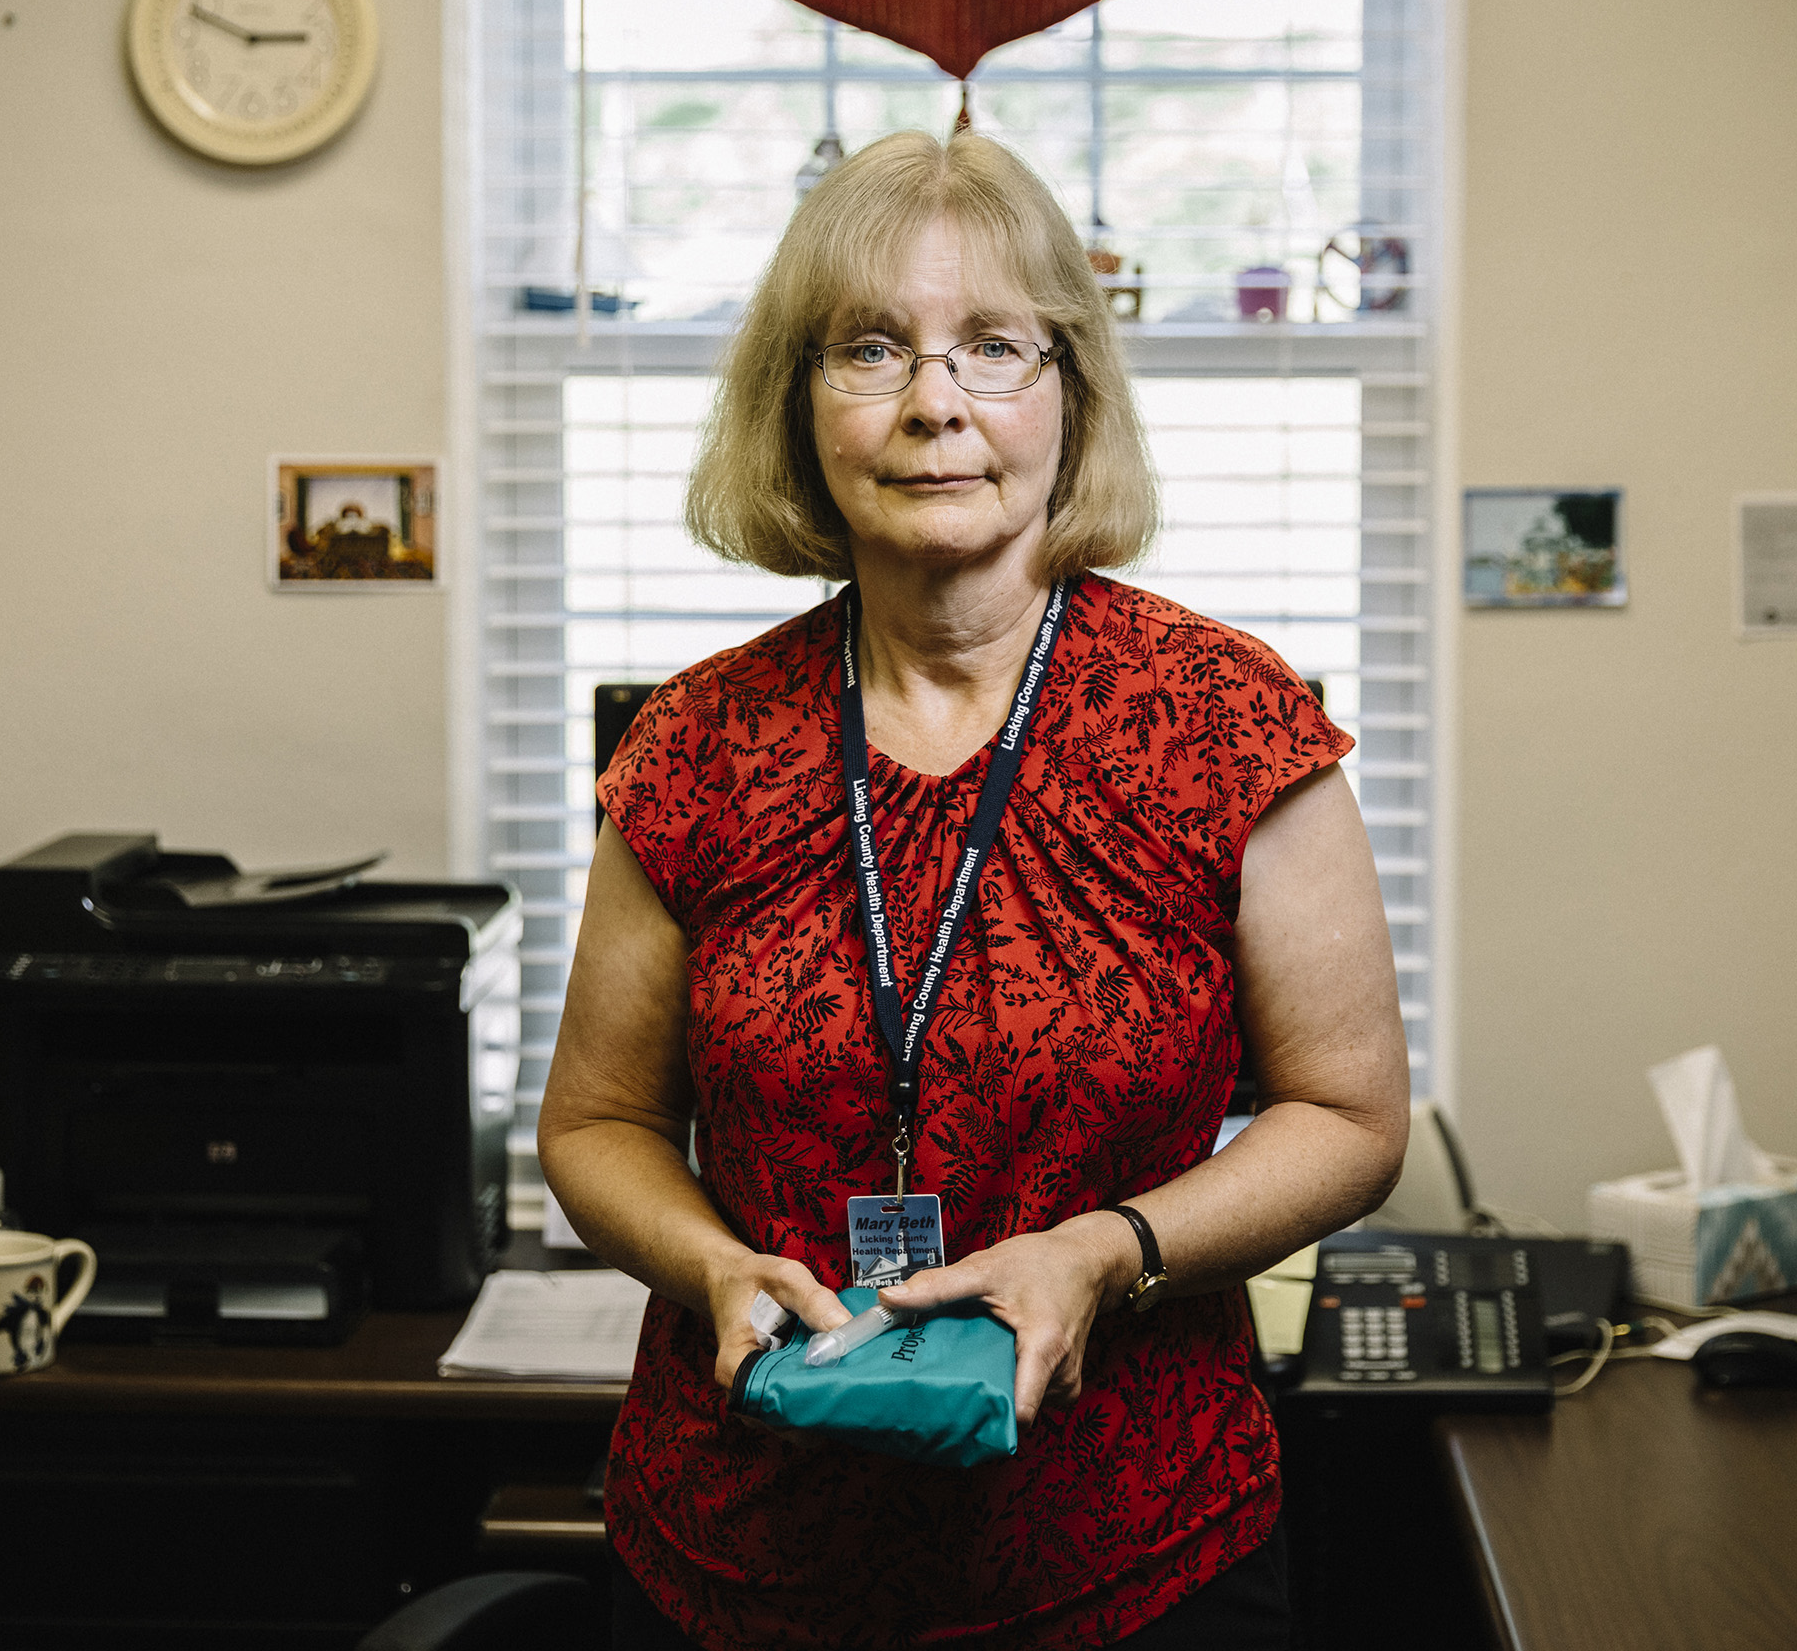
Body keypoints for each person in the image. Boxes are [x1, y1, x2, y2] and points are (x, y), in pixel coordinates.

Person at [540, 129, 1410, 1649]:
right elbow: (598, 1124)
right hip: (739, 1566)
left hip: (1139, 1567)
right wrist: (710, 1267)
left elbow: (1348, 1117)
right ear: (797, 405)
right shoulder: (695, 744)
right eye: (872, 348)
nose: (935, 401)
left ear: (1068, 390)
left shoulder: (1225, 719)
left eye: (993, 346)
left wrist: (1106, 1253)